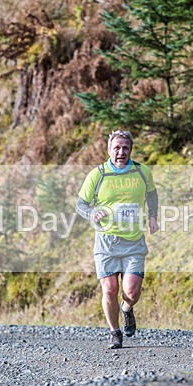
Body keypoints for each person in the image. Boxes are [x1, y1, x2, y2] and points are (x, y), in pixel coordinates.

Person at [75, 130, 159, 349]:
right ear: (109, 150)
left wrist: (153, 217)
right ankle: (114, 332)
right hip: (106, 243)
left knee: (131, 292)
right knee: (110, 289)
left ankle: (127, 309)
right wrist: (92, 214)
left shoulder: (142, 172)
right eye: (117, 148)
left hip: (133, 242)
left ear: (130, 150)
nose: (121, 152)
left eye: (125, 148)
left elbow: (151, 194)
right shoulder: (97, 174)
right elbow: (81, 204)